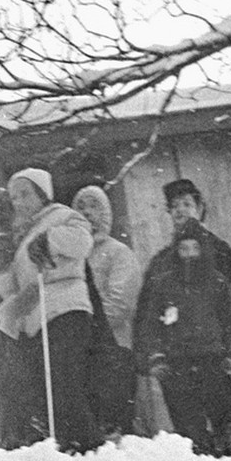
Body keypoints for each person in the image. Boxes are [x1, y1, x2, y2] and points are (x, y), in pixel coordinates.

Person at [138, 179, 231, 456]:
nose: (181, 211)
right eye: (174, 206)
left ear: (200, 209)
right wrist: (150, 357)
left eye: (187, 204)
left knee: (227, 422)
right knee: (189, 431)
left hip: (216, 357)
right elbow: (147, 315)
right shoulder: (161, 262)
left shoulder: (220, 252)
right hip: (176, 360)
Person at [0, 167, 100, 453]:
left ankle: (85, 445)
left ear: (43, 193)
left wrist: (51, 239)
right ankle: (62, 444)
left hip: (65, 307)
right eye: (14, 197)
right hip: (35, 315)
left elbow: (82, 242)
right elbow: (11, 289)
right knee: (43, 387)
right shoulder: (22, 233)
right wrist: (1, 266)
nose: (20, 202)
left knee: (63, 382)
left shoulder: (62, 216)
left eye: (26, 194)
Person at [71, 184, 142, 437]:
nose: (88, 213)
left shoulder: (118, 253)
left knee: (115, 427)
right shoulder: (72, 258)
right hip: (81, 356)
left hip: (114, 352)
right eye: (81, 207)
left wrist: (85, 331)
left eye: (94, 206)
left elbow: (120, 304)